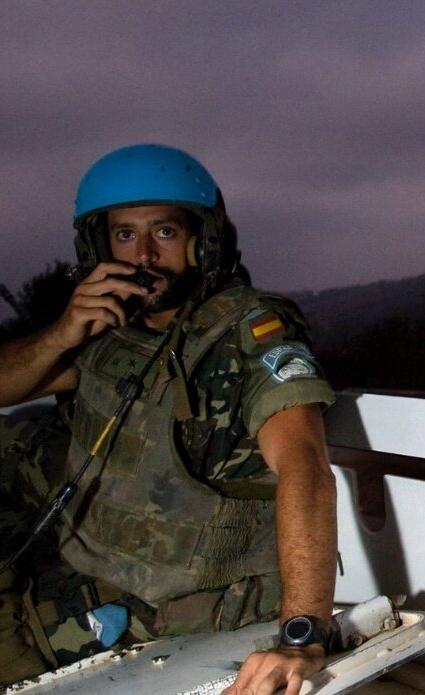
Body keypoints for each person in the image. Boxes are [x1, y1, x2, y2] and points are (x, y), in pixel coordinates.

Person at [0, 144, 338, 695]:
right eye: (126, 235)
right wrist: (61, 333)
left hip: (178, 608)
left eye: (164, 233)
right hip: (93, 561)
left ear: (202, 242)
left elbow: (306, 467)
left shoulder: (248, 334)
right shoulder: (114, 326)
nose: (144, 257)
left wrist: (300, 640)